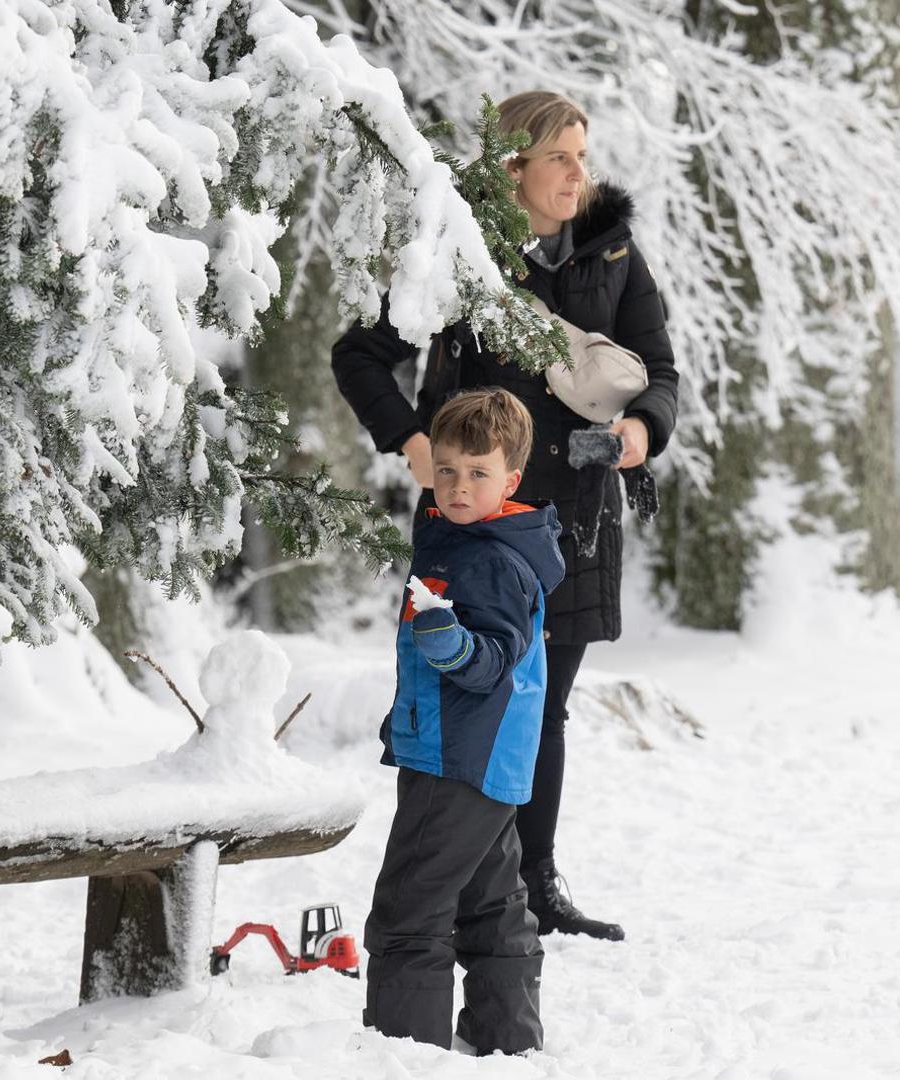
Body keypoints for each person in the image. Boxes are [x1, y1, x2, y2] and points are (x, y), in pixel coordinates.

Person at [333, 90, 679, 942]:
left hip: (573, 522)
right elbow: (361, 354)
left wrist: (639, 433)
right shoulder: (461, 253)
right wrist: (414, 442)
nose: (577, 173)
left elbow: (662, 371)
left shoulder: (615, 255)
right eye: (559, 155)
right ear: (513, 166)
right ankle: (455, 886)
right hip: (472, 523)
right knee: (463, 694)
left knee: (542, 704)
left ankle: (533, 885)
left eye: (583, 155)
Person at [362, 387, 565, 1054]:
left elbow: (495, 661)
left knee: (410, 908)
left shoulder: (494, 559)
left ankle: (404, 1053)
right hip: (481, 755)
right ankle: (505, 1040)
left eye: (478, 474)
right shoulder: (460, 536)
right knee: (488, 902)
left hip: (458, 756)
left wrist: (451, 646)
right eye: (446, 469)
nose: (457, 485)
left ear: (509, 481)